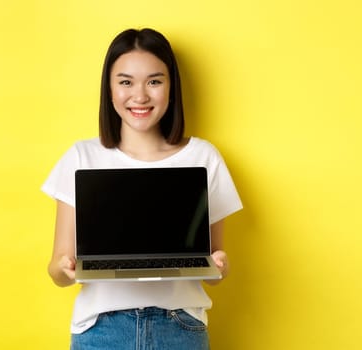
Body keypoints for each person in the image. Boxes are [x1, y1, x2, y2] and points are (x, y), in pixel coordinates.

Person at [41, 28, 243, 349]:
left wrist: (220, 267)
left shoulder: (204, 157)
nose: (140, 96)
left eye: (154, 81)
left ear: (171, 88)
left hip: (180, 327)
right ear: (109, 90)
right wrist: (66, 270)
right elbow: (57, 269)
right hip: (101, 329)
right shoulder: (82, 156)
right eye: (125, 82)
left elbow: (212, 271)